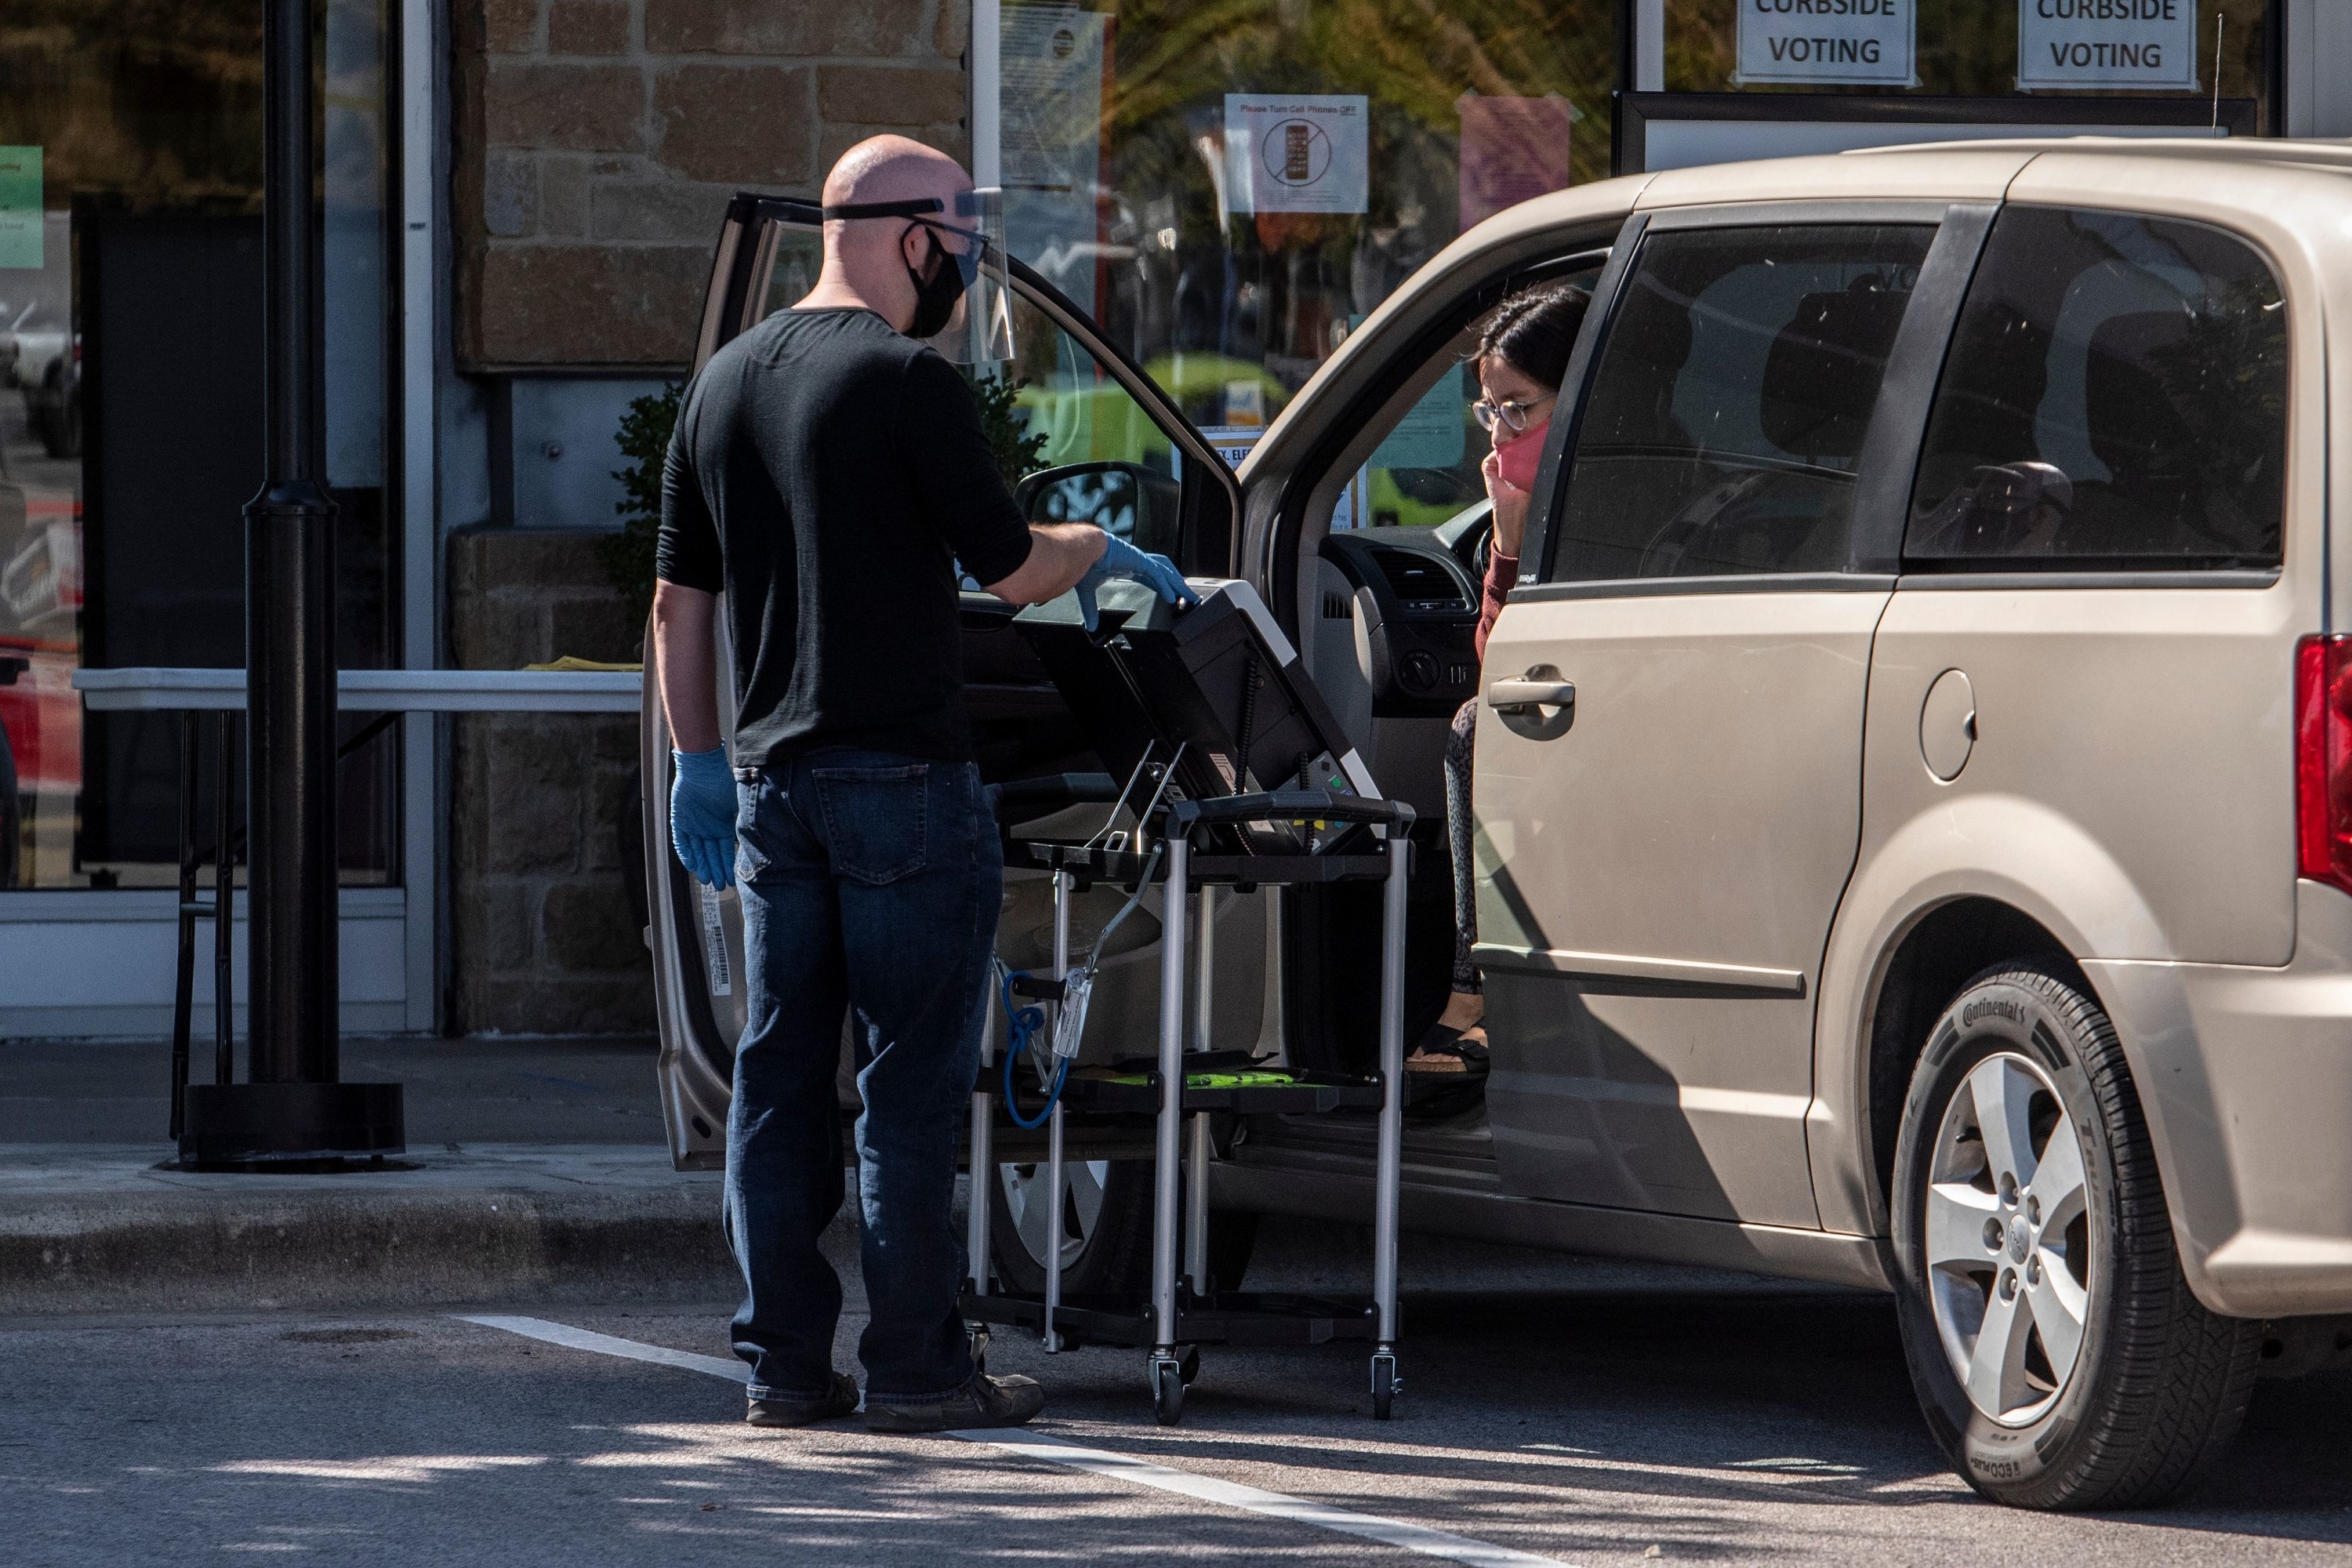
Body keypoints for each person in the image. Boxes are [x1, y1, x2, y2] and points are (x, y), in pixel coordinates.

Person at [651, 135, 1193, 1433]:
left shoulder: (719, 385)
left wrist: (698, 764)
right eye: (961, 239)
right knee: (903, 1089)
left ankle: (782, 1368)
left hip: (776, 789)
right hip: (903, 780)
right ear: (910, 236)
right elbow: (1011, 571)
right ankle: (915, 1371)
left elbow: (678, 605)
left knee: (781, 1082)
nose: (964, 268)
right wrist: (1106, 541)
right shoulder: (909, 382)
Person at [1406, 281, 1590, 1076]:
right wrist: (1507, 543)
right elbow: (1498, 654)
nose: (1501, 432)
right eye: (1490, 411)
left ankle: (1473, 992)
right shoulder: (1521, 506)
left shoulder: (1608, 496)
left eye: (1520, 408)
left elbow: (1506, 669)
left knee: (1474, 728)